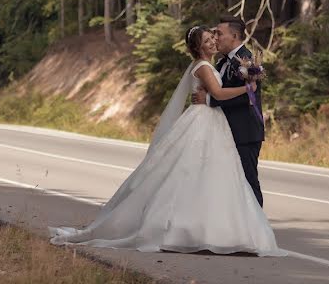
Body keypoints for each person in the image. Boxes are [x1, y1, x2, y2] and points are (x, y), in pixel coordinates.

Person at [48, 25, 284, 256]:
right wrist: (247, 88)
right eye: (207, 40)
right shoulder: (203, 66)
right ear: (198, 47)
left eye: (214, 37)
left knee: (220, 177)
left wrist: (237, 90)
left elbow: (215, 95)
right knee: (193, 174)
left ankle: (223, 230)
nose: (213, 40)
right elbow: (220, 93)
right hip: (204, 122)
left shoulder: (223, 62)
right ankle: (188, 229)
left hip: (218, 124)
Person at [192, 15, 265, 206]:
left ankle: (257, 232)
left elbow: (246, 97)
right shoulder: (221, 62)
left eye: (219, 33)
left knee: (248, 184)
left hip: (244, 132)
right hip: (224, 133)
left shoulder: (248, 62)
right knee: (231, 185)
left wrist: (208, 99)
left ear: (234, 36)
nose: (215, 37)